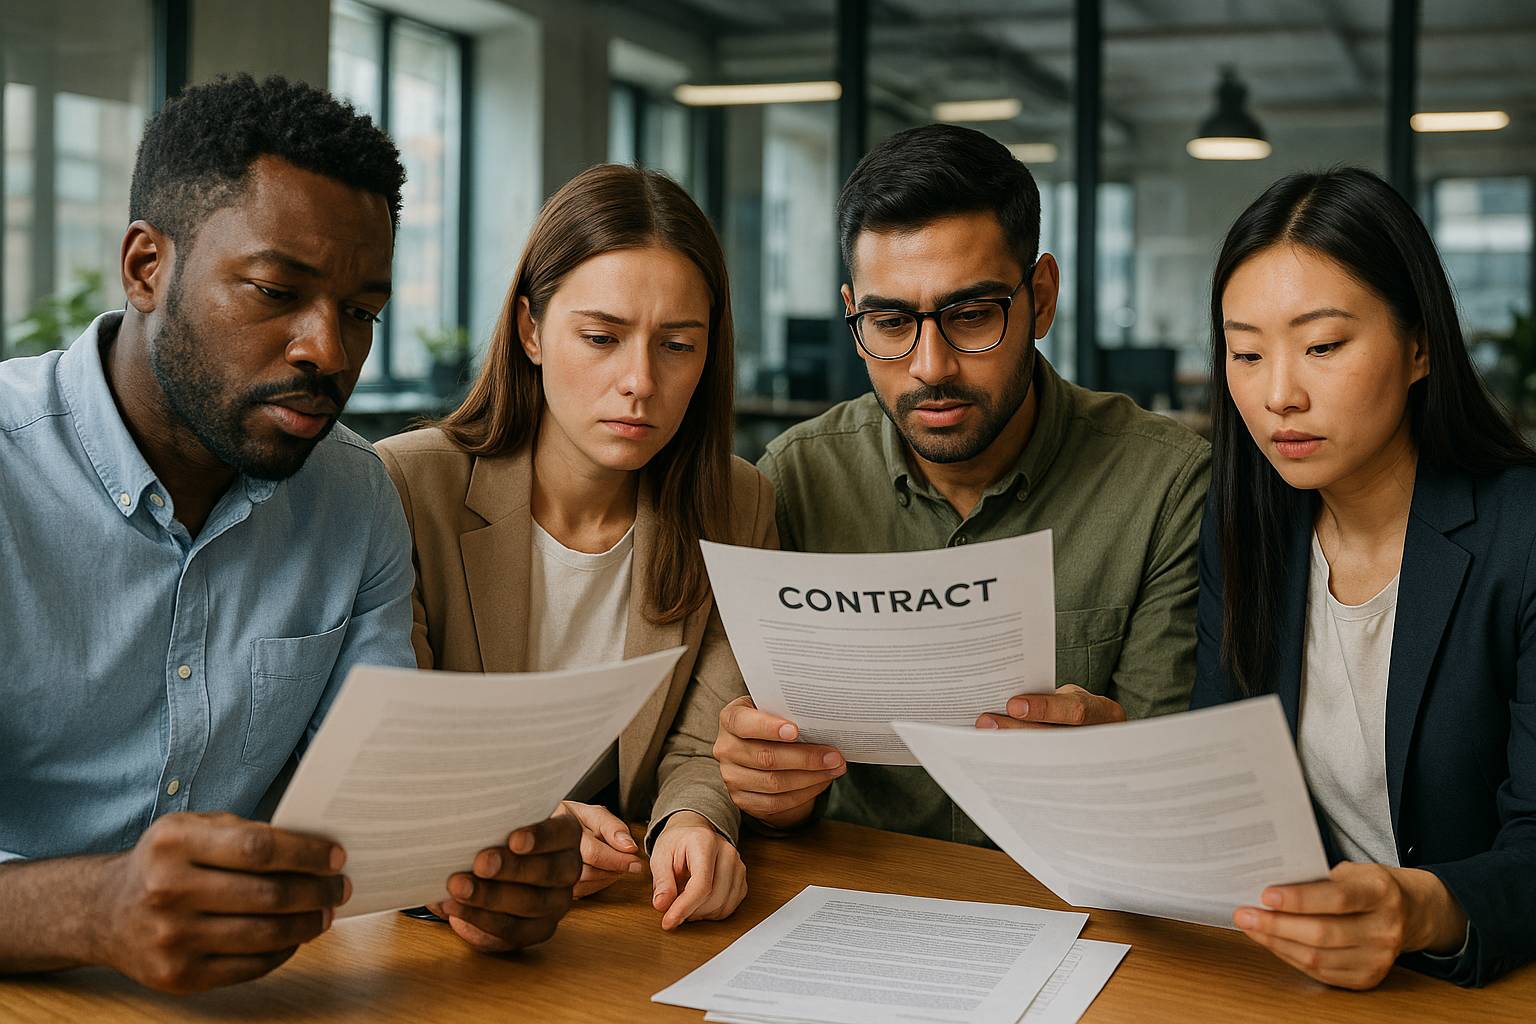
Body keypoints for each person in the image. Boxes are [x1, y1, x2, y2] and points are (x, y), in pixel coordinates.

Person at [0, 75, 579, 993]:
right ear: (147, 267)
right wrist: (95, 908)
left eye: (362, 313)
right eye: (276, 291)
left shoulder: (354, 496)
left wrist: (472, 871)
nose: (330, 351)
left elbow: (373, 811)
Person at [712, 123, 1210, 845]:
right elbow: (760, 769)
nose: (930, 367)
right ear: (855, 316)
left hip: (1077, 907)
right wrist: (771, 792)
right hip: (855, 911)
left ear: (1040, 296)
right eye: (889, 321)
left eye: (972, 315)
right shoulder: (792, 478)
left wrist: (1124, 758)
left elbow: (1172, 790)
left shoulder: (1164, 484)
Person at [376, 163, 773, 932]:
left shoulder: (736, 501)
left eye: (678, 346)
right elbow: (402, 747)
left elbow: (703, 742)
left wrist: (695, 822)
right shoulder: (405, 486)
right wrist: (526, 823)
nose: (639, 382)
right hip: (449, 913)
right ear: (530, 329)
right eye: (601, 337)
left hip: (628, 914)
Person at [1193, 166, 1536, 989]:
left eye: (1323, 346)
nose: (1279, 394)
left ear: (1419, 345)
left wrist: (1422, 909)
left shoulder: (1520, 535)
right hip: (1285, 979)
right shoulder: (1247, 523)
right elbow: (1227, 778)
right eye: (1246, 352)